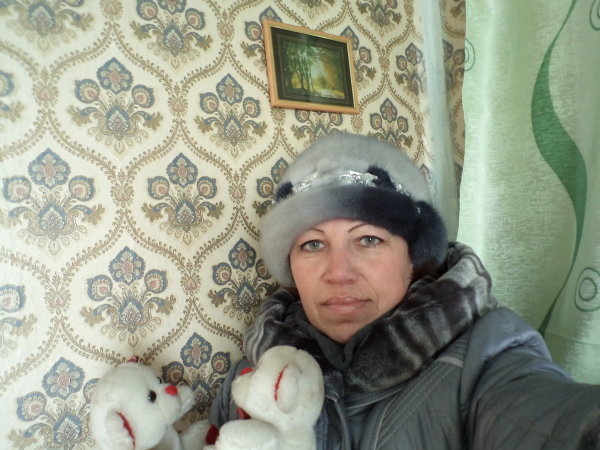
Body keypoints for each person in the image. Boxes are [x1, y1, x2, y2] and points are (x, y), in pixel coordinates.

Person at [209, 133, 600, 449]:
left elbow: (552, 422)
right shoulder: (251, 378)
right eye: (313, 244)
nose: (339, 273)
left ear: (414, 258)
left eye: (369, 240)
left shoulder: (485, 357)